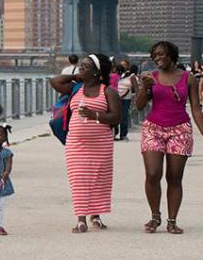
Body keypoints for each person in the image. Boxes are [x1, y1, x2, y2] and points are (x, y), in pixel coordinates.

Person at [135, 41, 202, 235]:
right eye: (154, 55)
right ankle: (155, 216)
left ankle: (172, 221)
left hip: (180, 129)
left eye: (161, 54)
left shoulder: (189, 78)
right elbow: (139, 106)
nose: (157, 58)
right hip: (153, 128)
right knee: (153, 173)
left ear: (171, 55)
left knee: (174, 177)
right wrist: (144, 88)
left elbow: (196, 109)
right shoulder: (151, 78)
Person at [50, 53, 122, 234]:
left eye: (86, 66)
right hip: (76, 143)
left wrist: (94, 115)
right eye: (81, 65)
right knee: (79, 179)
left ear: (97, 72)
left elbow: (116, 116)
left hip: (101, 143)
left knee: (99, 179)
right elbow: (55, 81)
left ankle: (95, 215)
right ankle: (81, 218)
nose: (82, 68)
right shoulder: (75, 88)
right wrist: (75, 76)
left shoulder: (108, 91)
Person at [114, 60, 137, 141]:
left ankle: (123, 135)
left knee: (124, 116)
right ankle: (114, 133)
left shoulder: (131, 76)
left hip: (125, 99)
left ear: (128, 66)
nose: (123, 66)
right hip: (115, 98)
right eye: (121, 65)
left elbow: (136, 88)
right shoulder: (116, 75)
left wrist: (136, 98)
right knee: (114, 116)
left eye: (124, 65)